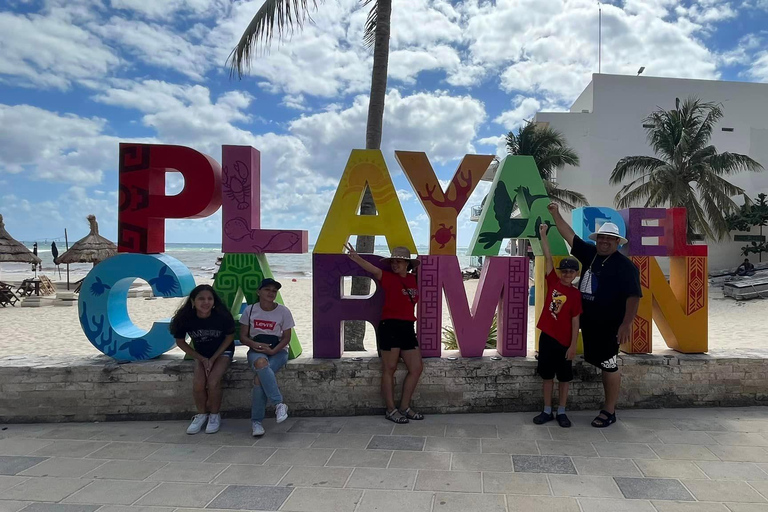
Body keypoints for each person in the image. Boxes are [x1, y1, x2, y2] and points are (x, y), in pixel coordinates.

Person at [548, 203, 642, 428]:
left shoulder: (625, 267)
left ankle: (609, 410)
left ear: (618, 242)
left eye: (609, 239)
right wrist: (555, 214)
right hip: (585, 322)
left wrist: (626, 324)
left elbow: (634, 297)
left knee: (609, 364)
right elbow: (569, 235)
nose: (604, 242)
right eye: (601, 238)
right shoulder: (590, 253)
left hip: (610, 326)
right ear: (597, 239)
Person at [345, 244, 424, 424]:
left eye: (399, 261)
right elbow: (372, 268)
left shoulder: (413, 279)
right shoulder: (387, 277)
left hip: (407, 327)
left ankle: (405, 407)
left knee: (416, 368)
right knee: (389, 368)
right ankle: (391, 409)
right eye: (393, 261)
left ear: (407, 264)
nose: (395, 264)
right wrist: (356, 257)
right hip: (389, 326)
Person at [533, 223, 582, 428]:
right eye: (565, 271)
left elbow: (575, 321)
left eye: (571, 271)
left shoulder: (575, 294)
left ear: (575, 274)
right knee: (547, 377)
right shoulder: (553, 282)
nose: (567, 274)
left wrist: (572, 346)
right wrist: (543, 235)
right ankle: (547, 410)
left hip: (564, 342)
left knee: (564, 378)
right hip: (547, 338)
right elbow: (548, 257)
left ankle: (561, 410)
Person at [170, 285, 236, 435]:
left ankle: (214, 415)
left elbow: (229, 337)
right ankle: (201, 415)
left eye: (209, 299)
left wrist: (212, 359)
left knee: (213, 381)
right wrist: (201, 358)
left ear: (214, 301)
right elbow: (180, 341)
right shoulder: (185, 318)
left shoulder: (222, 316)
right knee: (199, 384)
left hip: (223, 352)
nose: (206, 302)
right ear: (193, 301)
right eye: (201, 298)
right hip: (201, 354)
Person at [239, 278, 295, 437]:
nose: (271, 293)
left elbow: (286, 338)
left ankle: (256, 421)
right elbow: (243, 337)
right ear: (259, 292)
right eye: (267, 289)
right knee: (261, 363)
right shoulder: (250, 310)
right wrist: (256, 345)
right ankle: (279, 404)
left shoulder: (283, 311)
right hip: (257, 350)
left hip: (278, 351)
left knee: (258, 379)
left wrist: (273, 350)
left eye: (273, 291)